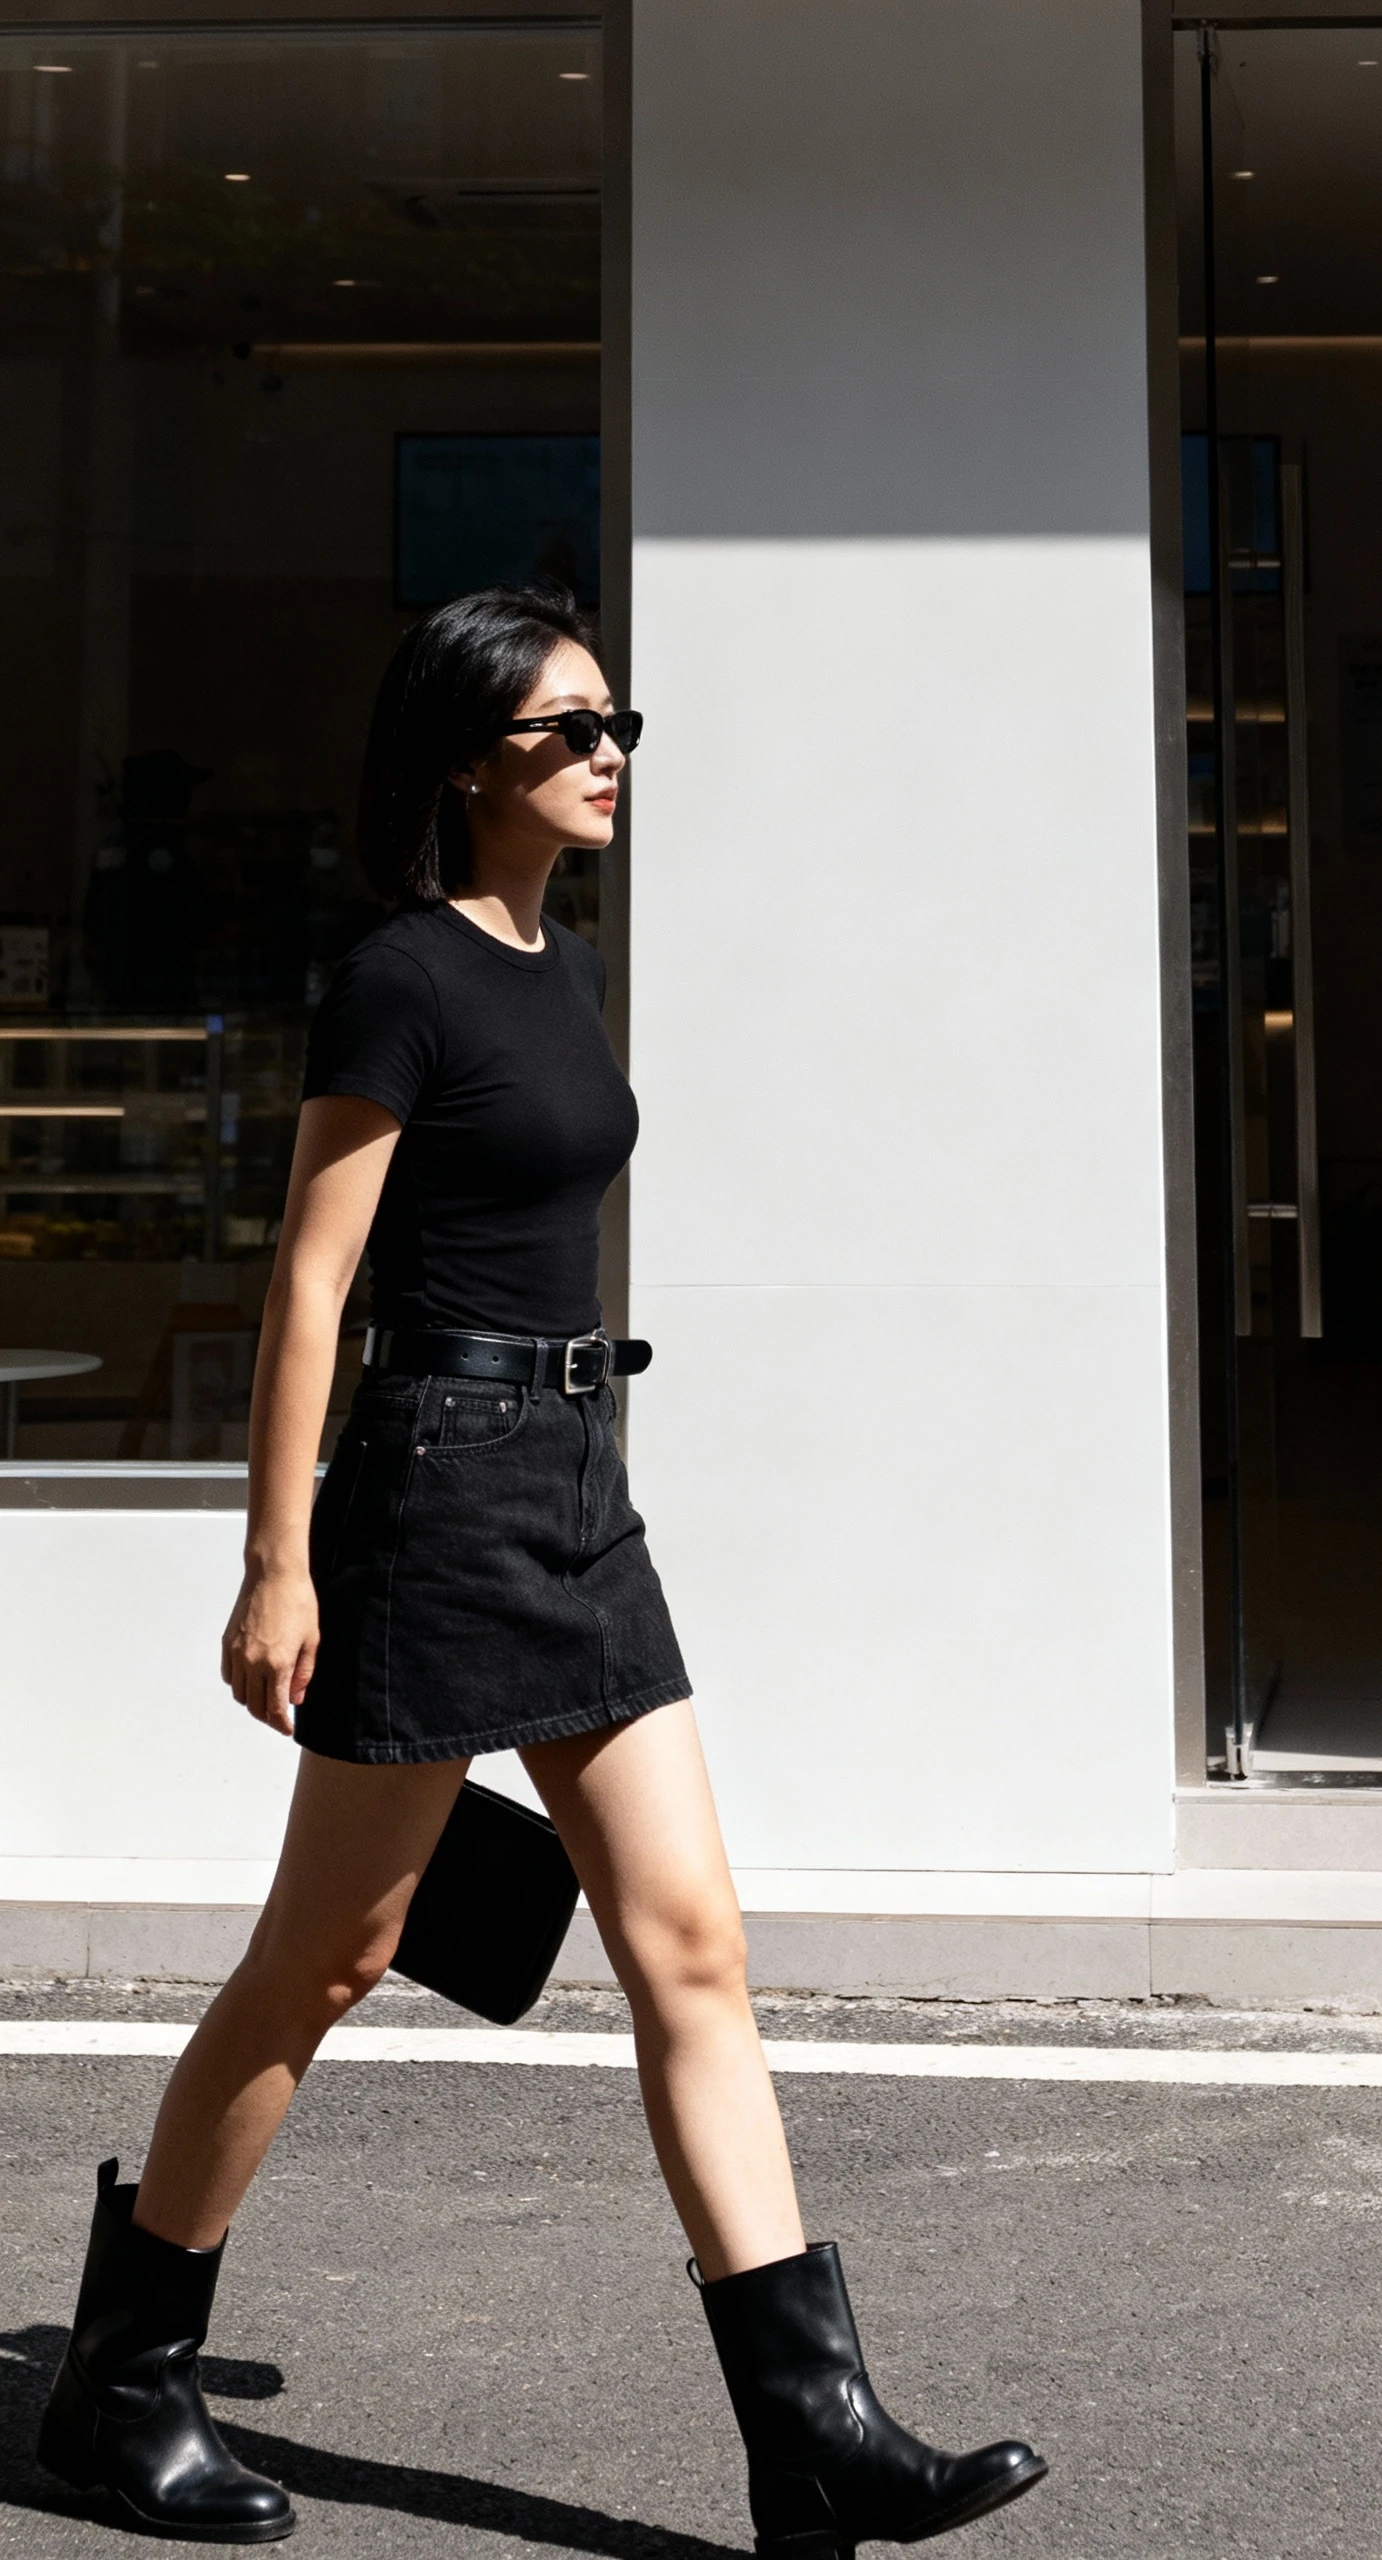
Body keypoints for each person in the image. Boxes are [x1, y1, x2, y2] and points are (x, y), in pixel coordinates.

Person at [37, 587, 1048, 2550]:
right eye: (570, 724)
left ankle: (815, 2431)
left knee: (692, 1946)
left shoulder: (555, 965)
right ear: (464, 760)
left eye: (617, 721)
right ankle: (120, 2380)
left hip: (574, 1485)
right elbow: (312, 1280)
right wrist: (273, 1557)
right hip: (427, 1495)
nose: (610, 752)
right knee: (322, 1958)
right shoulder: (402, 977)